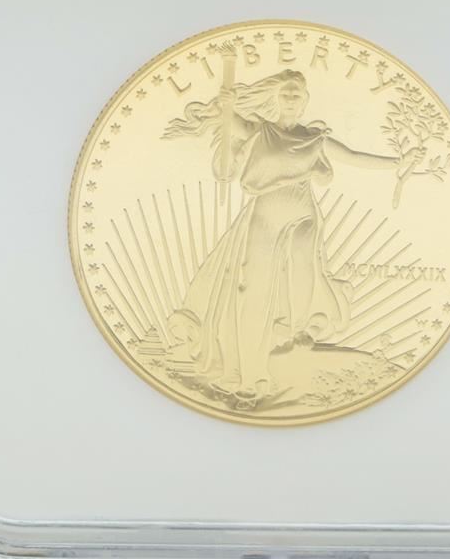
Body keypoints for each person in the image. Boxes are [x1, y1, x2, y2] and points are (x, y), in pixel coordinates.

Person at [163, 69, 401, 401]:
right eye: (286, 93)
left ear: (305, 102)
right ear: (276, 99)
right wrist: (226, 105)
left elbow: (355, 157)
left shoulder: (315, 139)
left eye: (296, 94)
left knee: (301, 279)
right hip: (265, 217)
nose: (290, 98)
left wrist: (398, 163)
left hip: (303, 216)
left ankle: (293, 335)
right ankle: (249, 374)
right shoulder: (260, 132)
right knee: (253, 292)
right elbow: (232, 123)